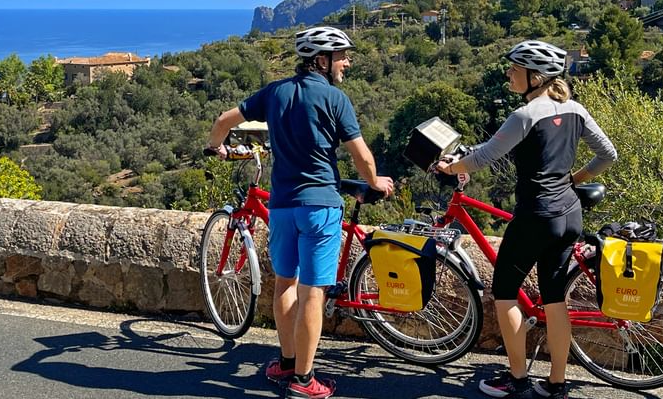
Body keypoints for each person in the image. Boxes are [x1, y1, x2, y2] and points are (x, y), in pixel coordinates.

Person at [206, 26, 394, 399]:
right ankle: (305, 381)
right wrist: (376, 182)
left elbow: (225, 121)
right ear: (321, 61)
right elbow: (361, 156)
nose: (346, 63)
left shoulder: (275, 92)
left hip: (282, 206)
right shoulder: (334, 98)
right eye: (341, 56)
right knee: (313, 292)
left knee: (285, 284)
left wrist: (216, 149)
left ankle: (288, 362)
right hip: (320, 206)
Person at [435, 40, 617, 399]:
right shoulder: (576, 110)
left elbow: (483, 156)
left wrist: (449, 166)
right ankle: (557, 384)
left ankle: (517, 380)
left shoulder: (525, 116)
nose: (509, 74)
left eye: (515, 69)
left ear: (535, 77)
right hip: (569, 213)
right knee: (554, 298)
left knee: (504, 293)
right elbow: (607, 154)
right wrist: (571, 180)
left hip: (536, 215)